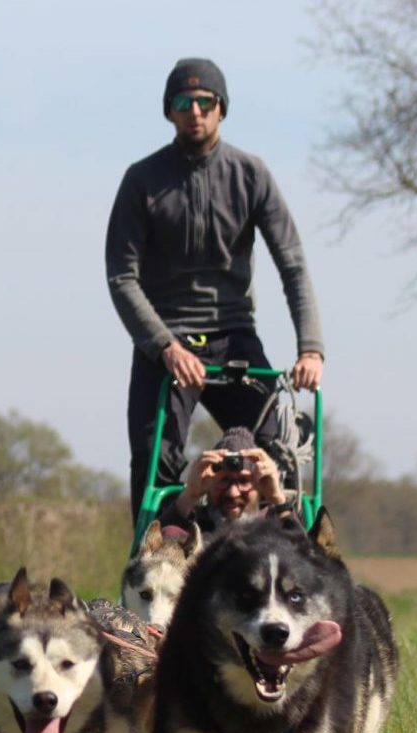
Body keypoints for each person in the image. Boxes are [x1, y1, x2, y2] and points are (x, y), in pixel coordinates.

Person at [106, 57, 325, 523]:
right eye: (183, 103)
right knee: (153, 464)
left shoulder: (251, 174)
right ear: (169, 112)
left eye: (205, 102)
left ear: (221, 108)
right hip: (166, 344)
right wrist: (165, 345)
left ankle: (289, 567)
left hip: (233, 337)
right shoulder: (141, 181)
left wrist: (311, 349)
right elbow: (121, 277)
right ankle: (153, 573)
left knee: (280, 452)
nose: (195, 111)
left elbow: (293, 266)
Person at [158, 427, 293, 532]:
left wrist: (277, 498)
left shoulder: (272, 528)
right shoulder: (193, 527)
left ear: (260, 488)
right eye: (224, 480)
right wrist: (189, 495)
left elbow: (303, 555)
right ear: (209, 483)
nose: (232, 493)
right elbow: (157, 553)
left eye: (244, 482)